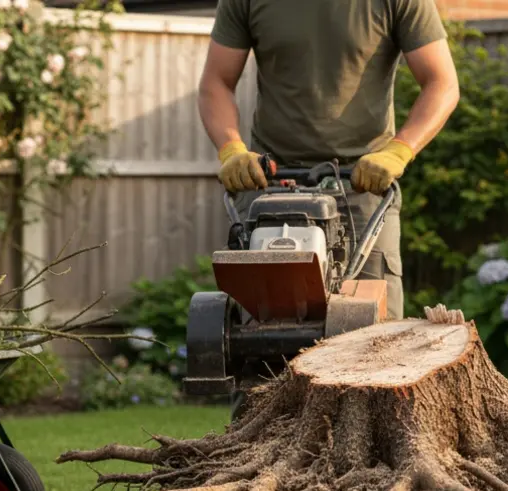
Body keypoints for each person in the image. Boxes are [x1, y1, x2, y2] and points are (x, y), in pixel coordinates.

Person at [197, 0, 460, 320]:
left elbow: (441, 83)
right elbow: (216, 82)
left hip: (363, 186)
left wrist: (398, 151)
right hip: (271, 183)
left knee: (377, 337)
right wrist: (231, 150)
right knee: (260, 330)